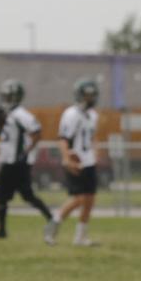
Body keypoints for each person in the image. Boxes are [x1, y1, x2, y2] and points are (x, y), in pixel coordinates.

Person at [0, 79, 53, 238]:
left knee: (1, 197)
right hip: (11, 160)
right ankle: (52, 218)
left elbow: (37, 133)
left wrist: (25, 152)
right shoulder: (5, 113)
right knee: (25, 196)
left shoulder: (21, 114)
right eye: (5, 96)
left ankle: (0, 231)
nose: (7, 100)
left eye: (10, 96)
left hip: (16, 162)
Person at [44, 78, 101, 247]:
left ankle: (81, 237)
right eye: (87, 95)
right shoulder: (71, 114)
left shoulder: (93, 115)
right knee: (78, 198)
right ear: (79, 95)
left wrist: (96, 153)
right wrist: (67, 158)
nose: (90, 98)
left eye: (92, 95)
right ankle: (53, 225)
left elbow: (93, 137)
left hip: (88, 161)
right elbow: (63, 139)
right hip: (75, 160)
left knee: (89, 199)